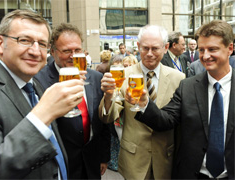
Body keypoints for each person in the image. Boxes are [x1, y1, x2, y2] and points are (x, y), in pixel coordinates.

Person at [134, 20, 235, 179]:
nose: (205, 56)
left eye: (212, 49)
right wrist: (144, 104)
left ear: (230, 48)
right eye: (201, 50)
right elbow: (165, 120)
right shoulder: (187, 87)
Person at [0, 9, 84, 179]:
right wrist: (43, 114)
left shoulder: (34, 84)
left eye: (42, 44)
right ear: (0, 44)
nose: (35, 51)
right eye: (24, 40)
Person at [99, 25, 185, 180]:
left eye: (155, 49)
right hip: (134, 160)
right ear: (138, 47)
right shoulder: (122, 75)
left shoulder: (178, 78)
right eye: (145, 48)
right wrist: (107, 96)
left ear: (166, 48)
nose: (150, 54)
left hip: (166, 157)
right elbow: (108, 117)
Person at [34, 23, 110, 179]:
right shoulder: (38, 80)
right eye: (67, 51)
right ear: (53, 52)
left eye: (77, 50)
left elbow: (101, 123)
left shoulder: (95, 78)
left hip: (91, 160)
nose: (73, 55)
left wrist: (103, 156)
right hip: (60, 162)